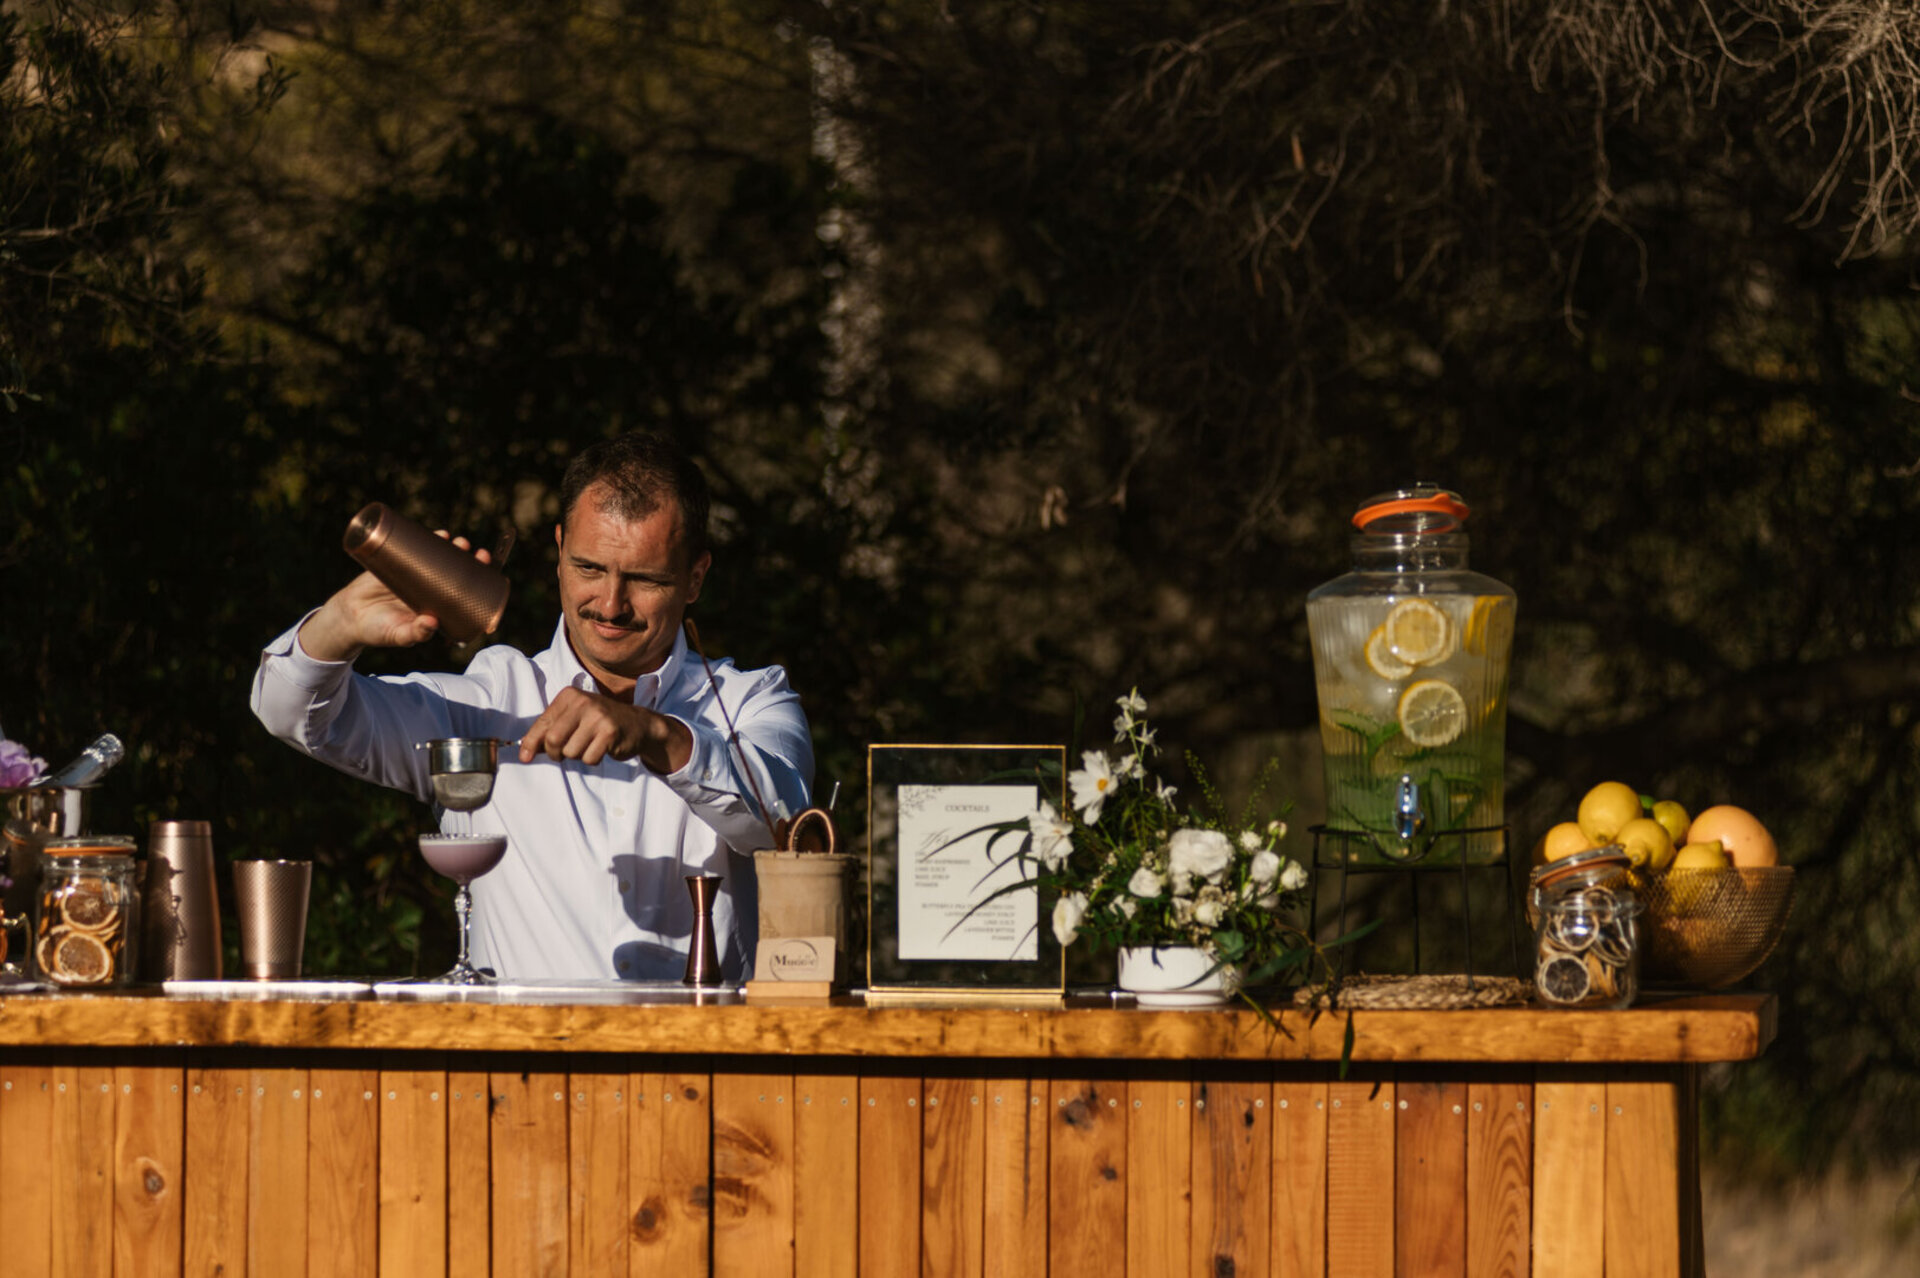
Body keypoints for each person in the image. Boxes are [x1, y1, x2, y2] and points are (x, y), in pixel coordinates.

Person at [249, 432, 812, 981]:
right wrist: (342, 623)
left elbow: (792, 827)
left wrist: (657, 734)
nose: (610, 604)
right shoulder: (489, 700)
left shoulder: (751, 699)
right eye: (590, 568)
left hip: (706, 1044)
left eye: (645, 579)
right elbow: (293, 715)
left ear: (695, 577)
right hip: (525, 1046)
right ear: (559, 551)